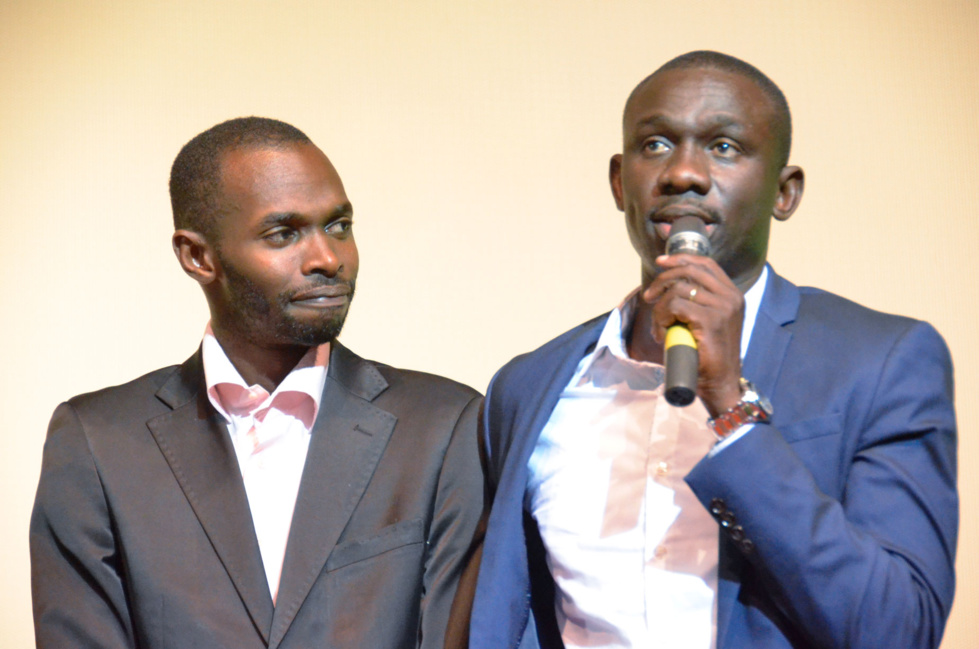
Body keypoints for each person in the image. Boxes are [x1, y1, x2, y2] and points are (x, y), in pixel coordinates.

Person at [468, 51, 958, 649]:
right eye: (655, 145)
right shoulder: (529, 387)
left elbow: (900, 630)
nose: (683, 174)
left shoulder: (884, 362)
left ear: (785, 192)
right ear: (620, 182)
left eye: (724, 147)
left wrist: (731, 406)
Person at [30, 117, 482, 649]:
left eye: (339, 225)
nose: (328, 258)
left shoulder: (444, 427)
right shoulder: (97, 443)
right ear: (197, 256)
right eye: (283, 233)